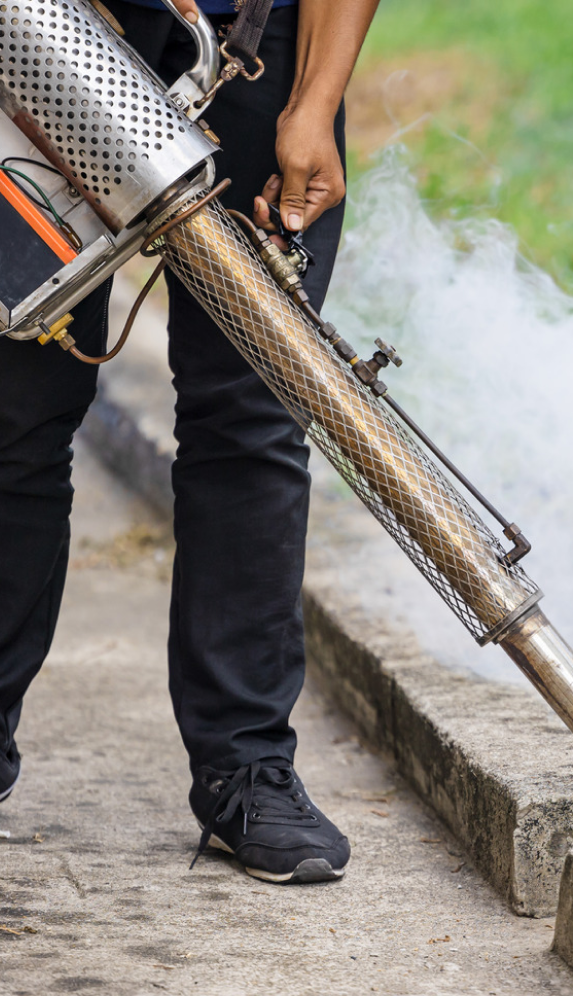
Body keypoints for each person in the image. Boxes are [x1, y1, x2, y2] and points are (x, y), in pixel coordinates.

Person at [0, 0, 379, 883]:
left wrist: (314, 102)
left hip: (256, 40)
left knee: (254, 409)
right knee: (15, 409)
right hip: (59, 25)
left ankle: (246, 769)